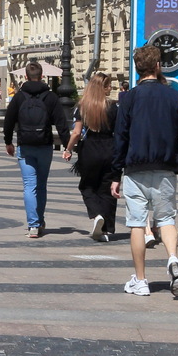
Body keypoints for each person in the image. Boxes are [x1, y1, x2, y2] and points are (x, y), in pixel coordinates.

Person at [110, 45, 178, 298]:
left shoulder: (128, 98)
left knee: (137, 224)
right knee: (167, 219)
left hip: (135, 168)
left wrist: (115, 174)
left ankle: (140, 280)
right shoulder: (174, 98)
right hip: (165, 169)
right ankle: (173, 258)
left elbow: (121, 138)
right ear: (158, 66)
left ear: (137, 68)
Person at [2, 61, 71, 238]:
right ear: (42, 76)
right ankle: (39, 220)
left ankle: (33, 225)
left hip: (25, 146)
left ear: (25, 76)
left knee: (29, 186)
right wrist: (67, 146)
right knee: (41, 185)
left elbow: (8, 120)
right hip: (44, 145)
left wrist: (8, 142)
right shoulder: (50, 97)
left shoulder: (19, 97)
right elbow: (62, 123)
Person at [64, 72, 118, 242]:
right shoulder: (113, 107)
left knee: (87, 186)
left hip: (90, 149)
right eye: (109, 85)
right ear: (103, 88)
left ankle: (96, 215)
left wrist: (68, 149)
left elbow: (76, 133)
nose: (111, 88)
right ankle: (107, 228)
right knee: (107, 188)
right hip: (110, 148)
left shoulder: (83, 106)